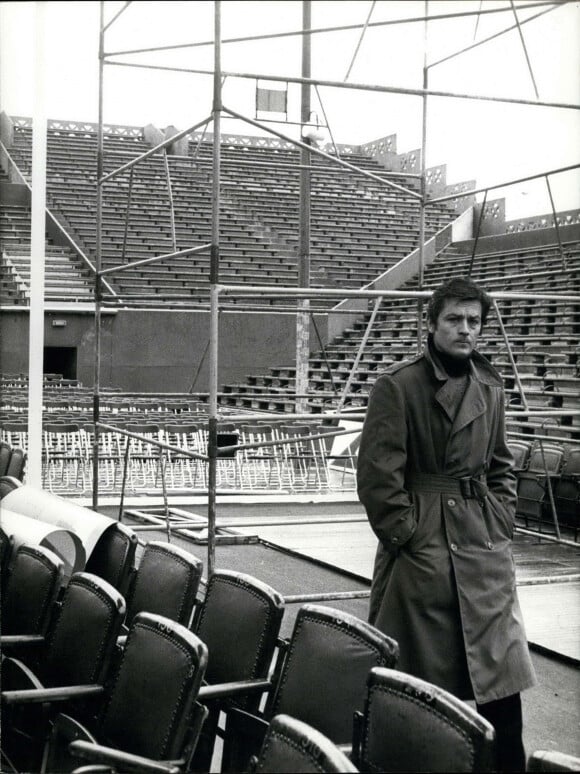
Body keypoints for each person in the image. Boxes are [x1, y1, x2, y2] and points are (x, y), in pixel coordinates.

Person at [357, 277, 536, 772]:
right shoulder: (398, 386)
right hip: (424, 553)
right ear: (431, 324)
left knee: (501, 686)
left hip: (483, 549)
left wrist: (500, 519)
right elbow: (377, 480)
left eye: (474, 321)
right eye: (454, 319)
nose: (465, 329)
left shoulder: (490, 384)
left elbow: (501, 465)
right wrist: (409, 536)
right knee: (422, 695)